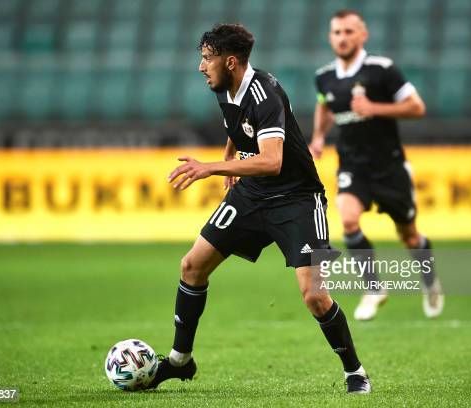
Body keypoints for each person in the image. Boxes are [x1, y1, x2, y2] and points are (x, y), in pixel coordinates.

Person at [149, 23, 371, 394]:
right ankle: (179, 361)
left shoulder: (265, 93)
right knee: (191, 265)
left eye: (207, 59)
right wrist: (229, 155)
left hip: (297, 198)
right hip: (252, 194)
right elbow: (238, 126)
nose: (201, 67)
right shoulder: (225, 87)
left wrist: (210, 167)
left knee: (315, 295)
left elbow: (271, 161)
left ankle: (355, 372)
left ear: (230, 61)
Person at [310, 10, 444, 321]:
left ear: (362, 35)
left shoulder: (383, 70)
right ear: (331, 37)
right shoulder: (324, 76)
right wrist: (318, 137)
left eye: (348, 32)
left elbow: (417, 107)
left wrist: (374, 107)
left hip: (390, 168)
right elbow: (324, 105)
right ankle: (374, 288)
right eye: (337, 32)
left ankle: (430, 282)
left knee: (410, 236)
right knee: (348, 221)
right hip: (353, 165)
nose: (342, 38)